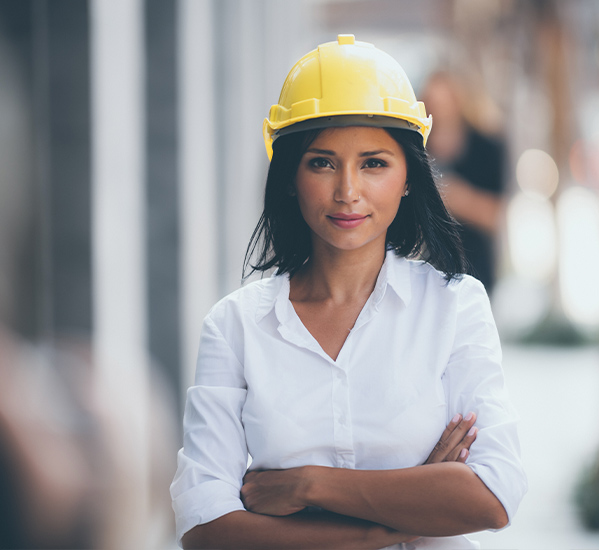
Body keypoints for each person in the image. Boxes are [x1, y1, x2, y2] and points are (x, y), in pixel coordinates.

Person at [170, 35, 526, 549]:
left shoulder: (454, 306)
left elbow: (493, 496)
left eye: (374, 163)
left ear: (408, 177)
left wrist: (309, 486)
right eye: (322, 162)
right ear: (291, 176)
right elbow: (205, 529)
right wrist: (399, 518)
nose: (347, 191)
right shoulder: (235, 326)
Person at [421, 71, 507, 294]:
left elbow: (496, 216)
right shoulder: (417, 147)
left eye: (443, 103)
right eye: (432, 104)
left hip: (475, 267)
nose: (437, 111)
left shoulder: (487, 147)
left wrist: (456, 197)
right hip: (426, 270)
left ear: (458, 103)